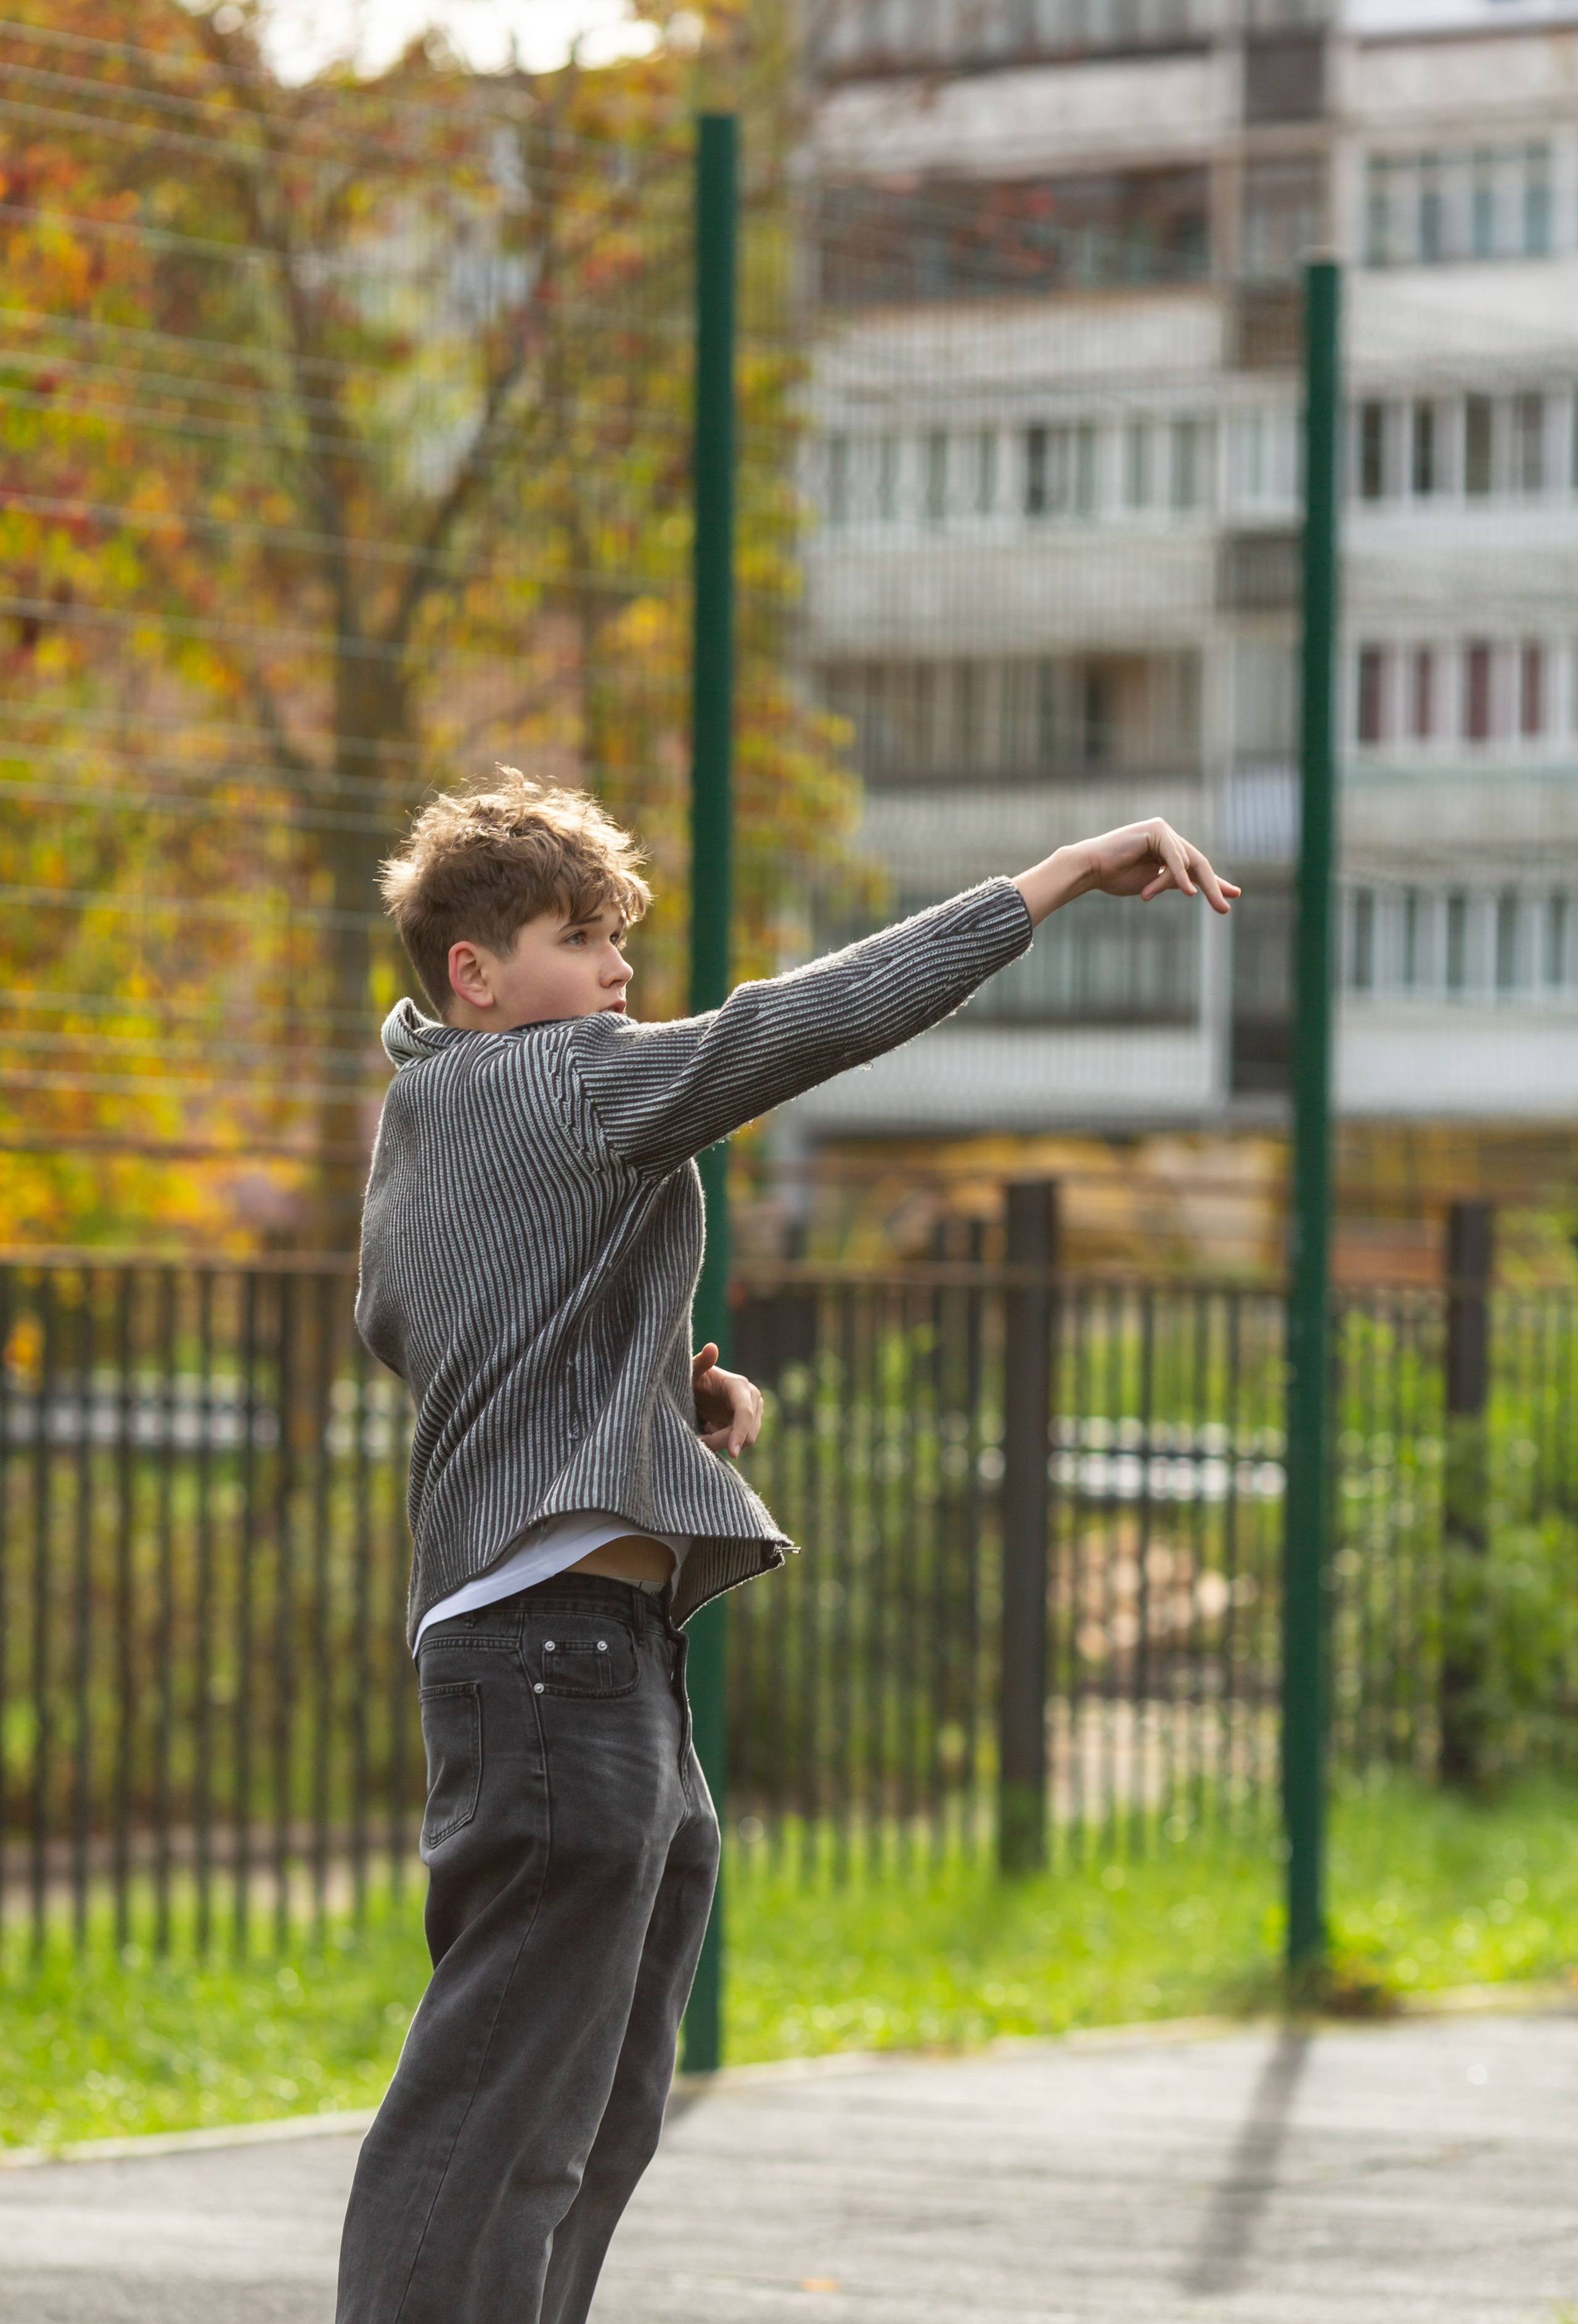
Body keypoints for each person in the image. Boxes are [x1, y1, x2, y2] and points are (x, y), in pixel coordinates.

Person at [335, 767, 1238, 2324]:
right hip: (552, 1653)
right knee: (498, 2103)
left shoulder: (426, 1114)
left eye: (618, 938)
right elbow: (794, 1025)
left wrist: (643, 1393)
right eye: (576, 936)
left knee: (594, 2094)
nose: (617, 971)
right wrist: (1056, 874)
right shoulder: (567, 1078)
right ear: (474, 974)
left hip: (575, 1647)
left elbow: (415, 1323)